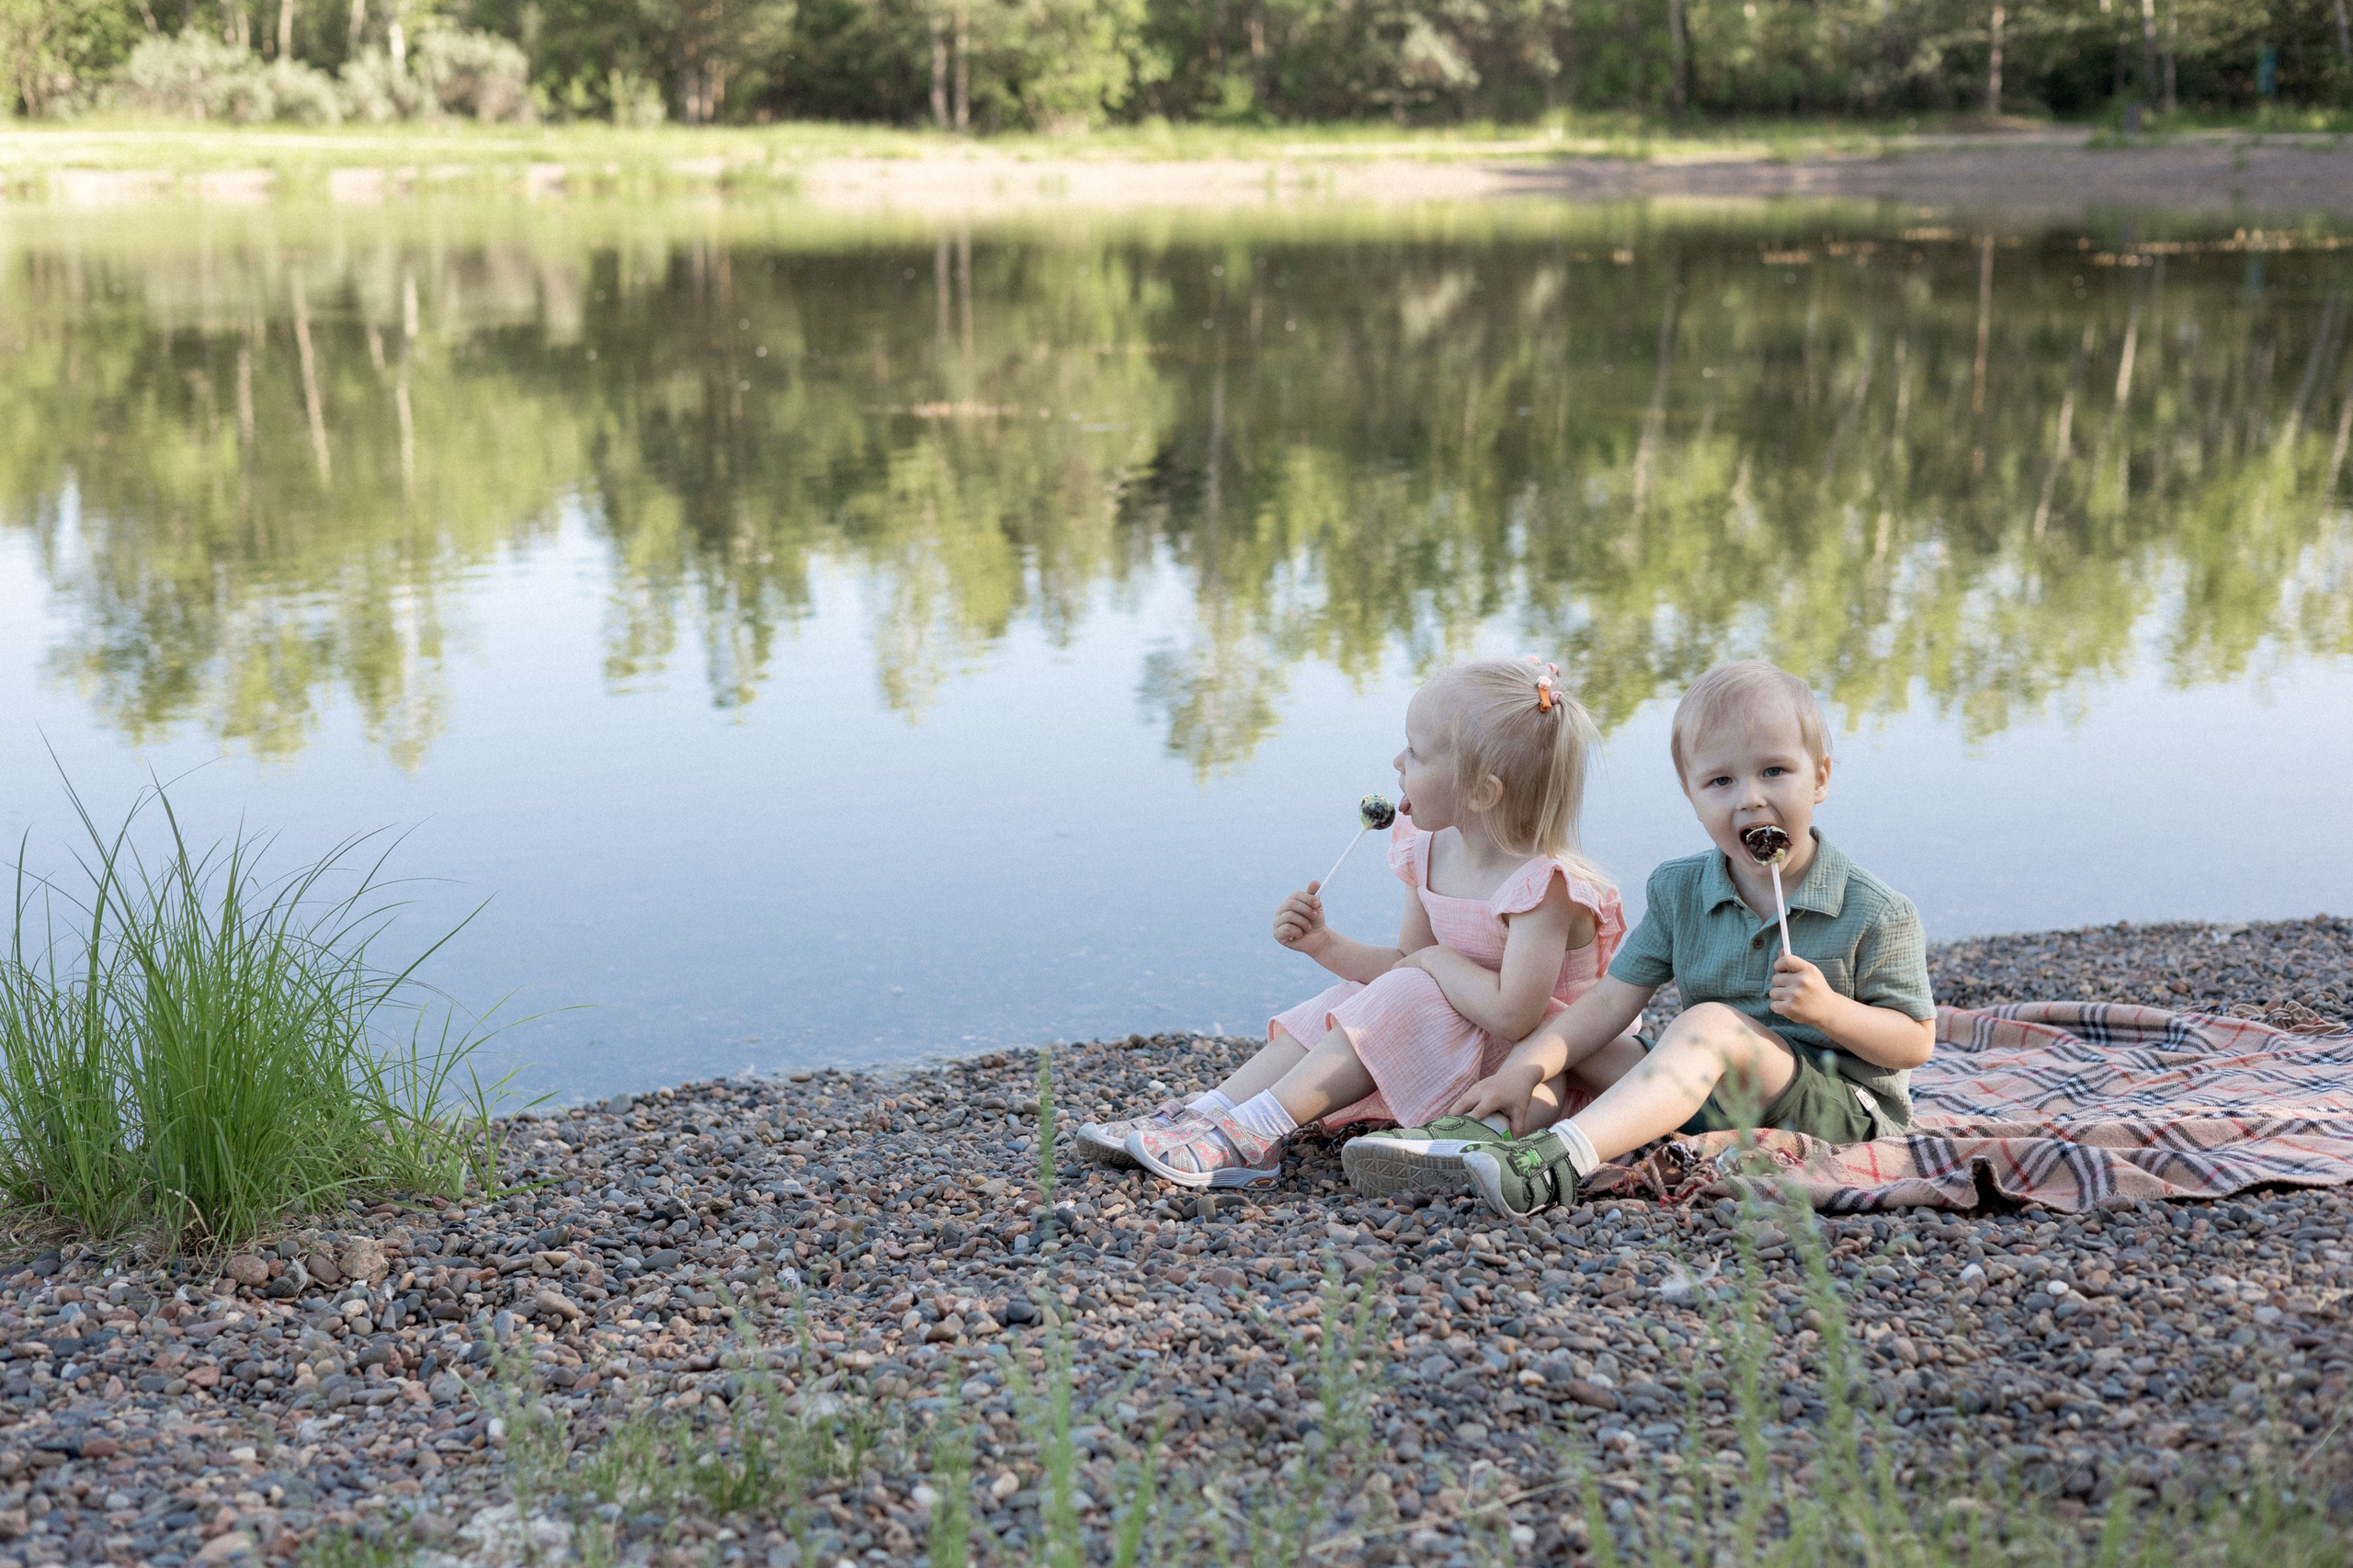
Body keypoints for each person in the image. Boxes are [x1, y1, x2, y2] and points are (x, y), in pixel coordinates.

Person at [1073, 656, 1624, 1189]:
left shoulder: (1543, 888)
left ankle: (1257, 1133)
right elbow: (1401, 963)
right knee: (1346, 995)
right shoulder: (1429, 848)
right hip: (1454, 1029)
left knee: (1409, 985)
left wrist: (1430, 964)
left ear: (1482, 791)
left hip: (1531, 1066)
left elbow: (1513, 1015)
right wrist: (1325, 944)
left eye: (1416, 752)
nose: (1396, 764)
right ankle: (1208, 1112)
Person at [1445, 660, 1936, 1219]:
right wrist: (1526, 1067)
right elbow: (1609, 1001)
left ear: (1820, 777)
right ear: (1692, 794)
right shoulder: (1679, 890)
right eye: (1721, 781)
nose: (1749, 798)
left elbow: (1915, 1043)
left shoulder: (1876, 910)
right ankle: (1483, 1136)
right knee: (1561, 1031)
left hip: (1840, 1104)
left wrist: (1829, 1011)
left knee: (1709, 1023)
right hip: (1716, 1093)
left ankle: (1560, 1160)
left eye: (1774, 771)